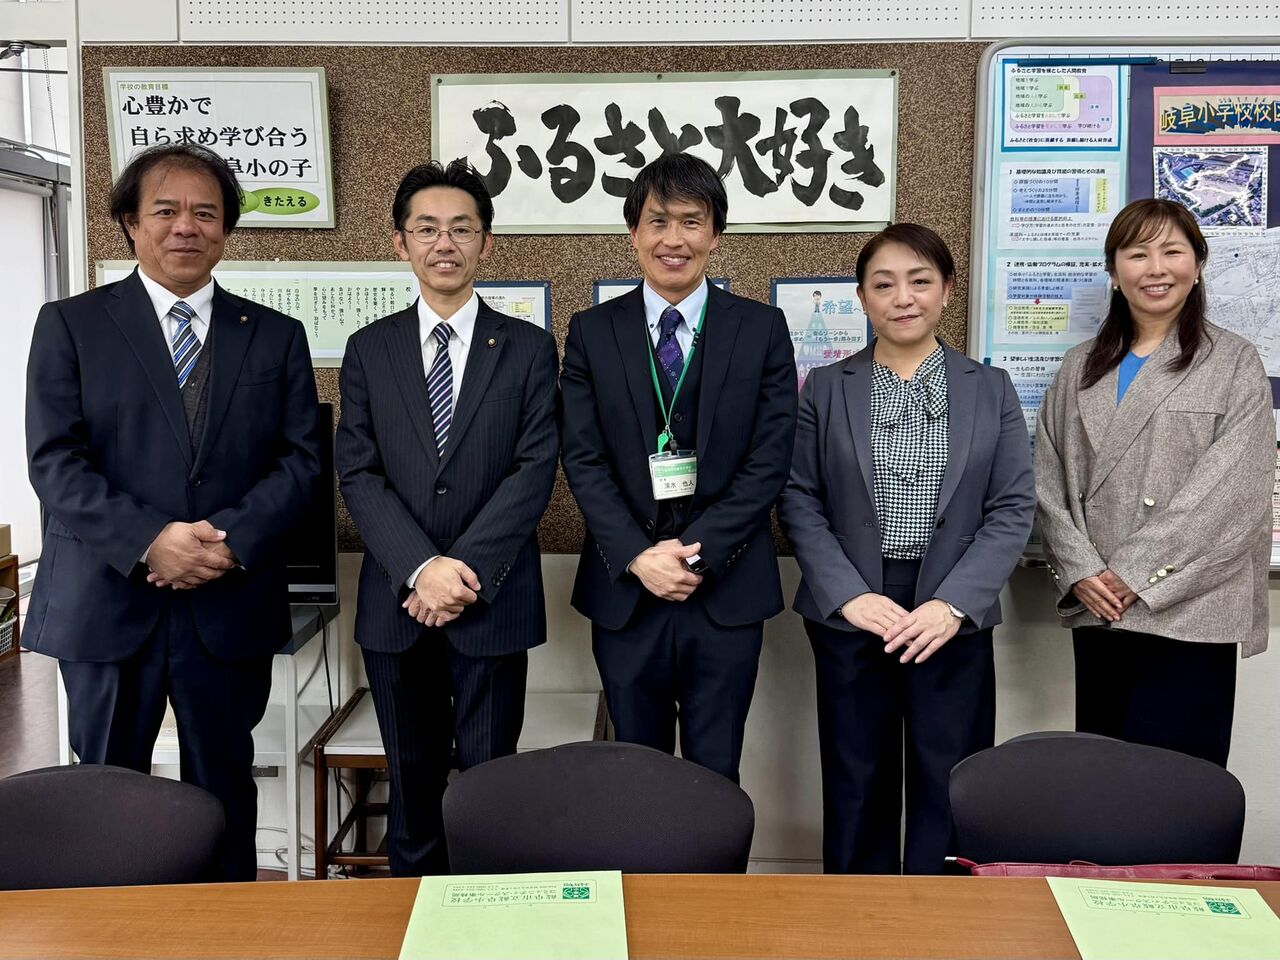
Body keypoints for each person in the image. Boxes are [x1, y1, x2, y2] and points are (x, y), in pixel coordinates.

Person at [24, 143, 322, 881]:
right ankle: (110, 927)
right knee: (106, 791)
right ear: (130, 222)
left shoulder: (274, 335)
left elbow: (301, 462)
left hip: (228, 600)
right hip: (107, 599)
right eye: (165, 211)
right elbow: (54, 461)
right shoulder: (71, 325)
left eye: (205, 213)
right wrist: (150, 540)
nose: (185, 226)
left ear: (226, 230)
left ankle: (226, 925)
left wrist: (228, 541)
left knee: (224, 787)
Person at [777, 223, 1034, 875]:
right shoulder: (826, 387)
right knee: (856, 779)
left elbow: (1012, 507)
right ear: (862, 298)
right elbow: (799, 498)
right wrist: (850, 596)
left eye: (920, 281)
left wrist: (953, 605)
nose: (903, 298)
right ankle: (856, 916)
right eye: (884, 284)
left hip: (951, 610)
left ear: (947, 290)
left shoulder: (990, 387)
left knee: (949, 780)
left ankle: (942, 916)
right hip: (853, 611)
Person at [335, 160, 559, 875]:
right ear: (400, 243)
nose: (445, 243)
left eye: (461, 229)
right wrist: (421, 567)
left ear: (485, 243)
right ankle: (416, 911)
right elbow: (359, 471)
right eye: (427, 228)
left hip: (491, 598)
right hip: (398, 603)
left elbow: (534, 468)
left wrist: (459, 571)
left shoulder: (528, 348)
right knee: (411, 781)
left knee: (491, 783)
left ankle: (489, 915)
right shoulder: (369, 349)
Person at [560, 152, 797, 784]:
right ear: (632, 232)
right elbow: (583, 457)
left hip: (725, 587)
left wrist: (697, 554)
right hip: (627, 591)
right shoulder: (591, 332)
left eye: (691, 221)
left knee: (715, 773)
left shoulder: (761, 328)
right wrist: (639, 557)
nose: (674, 239)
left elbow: (770, 457)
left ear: (715, 234)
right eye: (658, 221)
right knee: (636, 775)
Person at [1035, 198, 1273, 768]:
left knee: (1179, 785)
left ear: (1199, 264)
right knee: (1106, 781)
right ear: (1115, 272)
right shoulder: (1079, 366)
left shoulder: (1234, 362)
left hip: (1191, 606)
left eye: (1172, 251)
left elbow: (1231, 494)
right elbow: (1048, 479)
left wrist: (1134, 574)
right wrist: (1082, 570)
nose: (1156, 268)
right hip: (1100, 609)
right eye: (1138, 254)